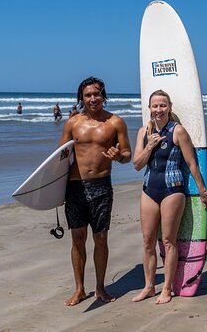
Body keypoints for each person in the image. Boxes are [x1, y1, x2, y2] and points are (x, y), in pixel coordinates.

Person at [132, 90, 207, 304]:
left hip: (172, 190)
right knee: (148, 241)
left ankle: (167, 288)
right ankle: (149, 287)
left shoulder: (178, 131)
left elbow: (192, 164)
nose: (158, 110)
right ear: (149, 108)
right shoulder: (143, 132)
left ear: (170, 107)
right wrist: (149, 146)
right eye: (155, 106)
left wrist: (202, 190)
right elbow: (137, 164)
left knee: (168, 241)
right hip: (149, 189)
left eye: (162, 105)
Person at [58, 77, 132, 306]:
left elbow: (127, 154)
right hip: (75, 187)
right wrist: (53, 190)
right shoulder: (72, 123)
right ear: (81, 98)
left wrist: (118, 156)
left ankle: (100, 288)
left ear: (104, 95)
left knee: (100, 237)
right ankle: (79, 289)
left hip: (101, 186)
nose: (93, 99)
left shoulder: (115, 122)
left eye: (97, 94)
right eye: (88, 95)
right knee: (77, 238)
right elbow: (60, 157)